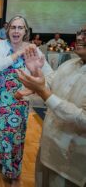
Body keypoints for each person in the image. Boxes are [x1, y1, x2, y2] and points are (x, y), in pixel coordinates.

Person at [0, 15, 53, 186]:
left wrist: (29, 90)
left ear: (26, 31)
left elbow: (49, 75)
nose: (16, 31)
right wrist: (18, 53)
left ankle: (13, 173)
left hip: (18, 101)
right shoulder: (3, 44)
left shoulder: (33, 49)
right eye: (13, 27)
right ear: (8, 30)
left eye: (20, 28)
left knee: (14, 137)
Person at [17, 26, 86, 187]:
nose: (80, 38)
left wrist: (43, 93)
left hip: (74, 165)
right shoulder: (70, 64)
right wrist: (36, 73)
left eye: (85, 34)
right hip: (48, 152)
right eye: (79, 33)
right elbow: (52, 81)